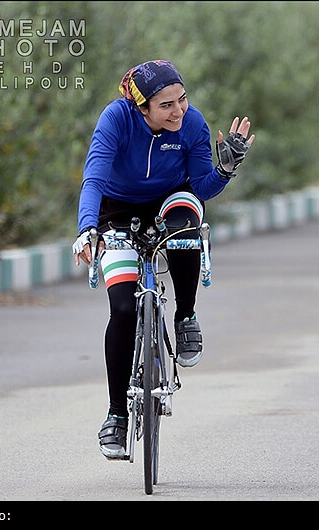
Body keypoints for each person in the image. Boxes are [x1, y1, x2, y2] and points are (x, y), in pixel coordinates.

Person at [72, 59, 254, 459]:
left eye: (182, 99)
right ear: (142, 108)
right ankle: (117, 415)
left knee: (185, 226)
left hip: (172, 201)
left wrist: (225, 168)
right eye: (167, 105)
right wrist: (87, 227)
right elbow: (94, 178)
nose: (179, 110)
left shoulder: (191, 124)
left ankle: (185, 315)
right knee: (121, 308)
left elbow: (203, 186)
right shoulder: (116, 120)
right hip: (116, 209)